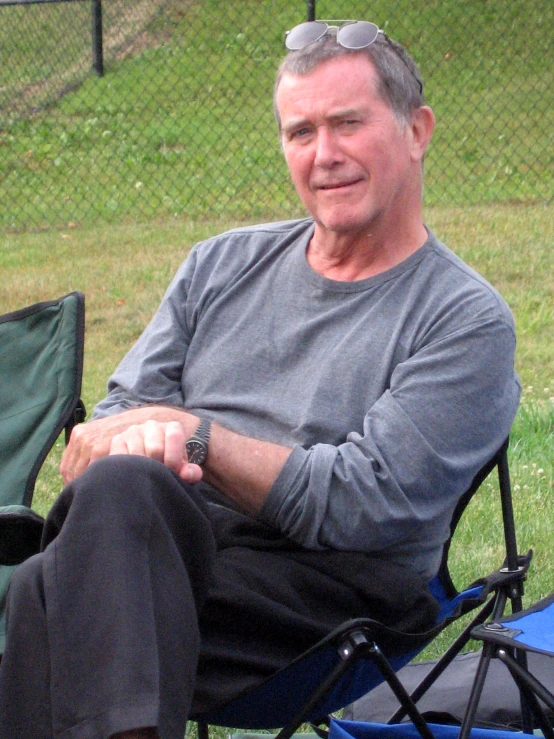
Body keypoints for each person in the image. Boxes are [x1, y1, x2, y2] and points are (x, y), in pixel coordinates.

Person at [0, 20, 520, 739]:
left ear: (417, 130)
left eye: (347, 124)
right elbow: (123, 407)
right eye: (300, 132)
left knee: (46, 588)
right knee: (78, 550)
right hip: (165, 550)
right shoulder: (219, 265)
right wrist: (133, 434)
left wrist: (197, 438)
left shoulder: (463, 319)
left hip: (329, 595)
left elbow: (363, 503)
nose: (324, 154)